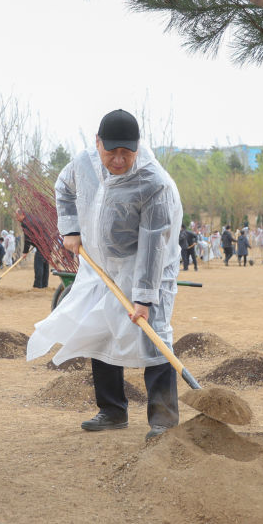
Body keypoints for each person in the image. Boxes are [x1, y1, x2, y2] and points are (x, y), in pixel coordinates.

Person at [27, 108, 183, 441]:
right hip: (98, 264)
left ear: (137, 147)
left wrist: (143, 298)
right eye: (111, 151)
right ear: (98, 143)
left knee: (152, 332)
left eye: (126, 152)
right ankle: (112, 411)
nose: (118, 158)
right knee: (99, 330)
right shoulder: (83, 163)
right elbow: (63, 188)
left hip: (145, 262)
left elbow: (153, 245)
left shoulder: (153, 184)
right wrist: (70, 229)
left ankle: (164, 419)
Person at [15, 207, 49, 289]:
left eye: (17, 217)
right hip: (48, 243)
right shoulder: (34, 218)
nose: (17, 219)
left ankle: (38, 286)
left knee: (39, 264)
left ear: (22, 215)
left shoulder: (26, 223)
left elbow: (27, 238)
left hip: (42, 244)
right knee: (45, 263)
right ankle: (44, 285)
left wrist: (25, 252)